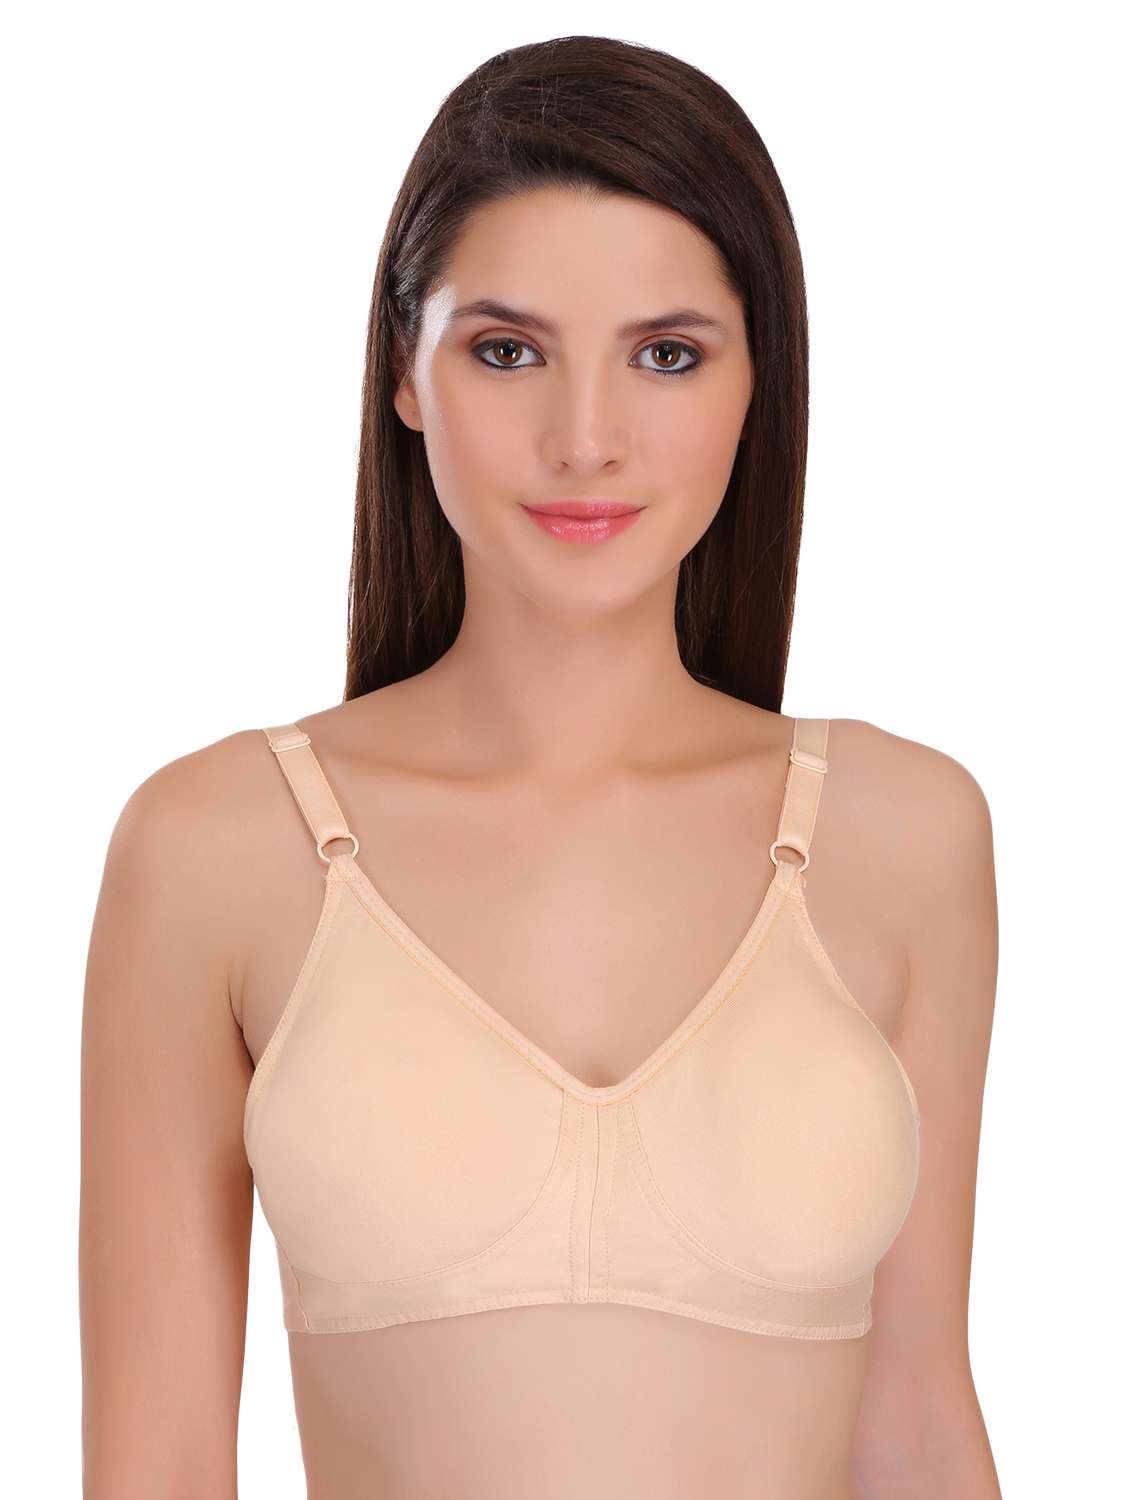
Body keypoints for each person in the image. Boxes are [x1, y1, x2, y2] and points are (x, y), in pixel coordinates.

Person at [79, 34, 1001, 1500]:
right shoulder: (215, 847)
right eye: (507, 350)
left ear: (758, 383)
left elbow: (918, 1425)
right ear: (405, 373)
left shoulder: (903, 833)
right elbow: (160, 1466)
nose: (584, 440)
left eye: (666, 354)